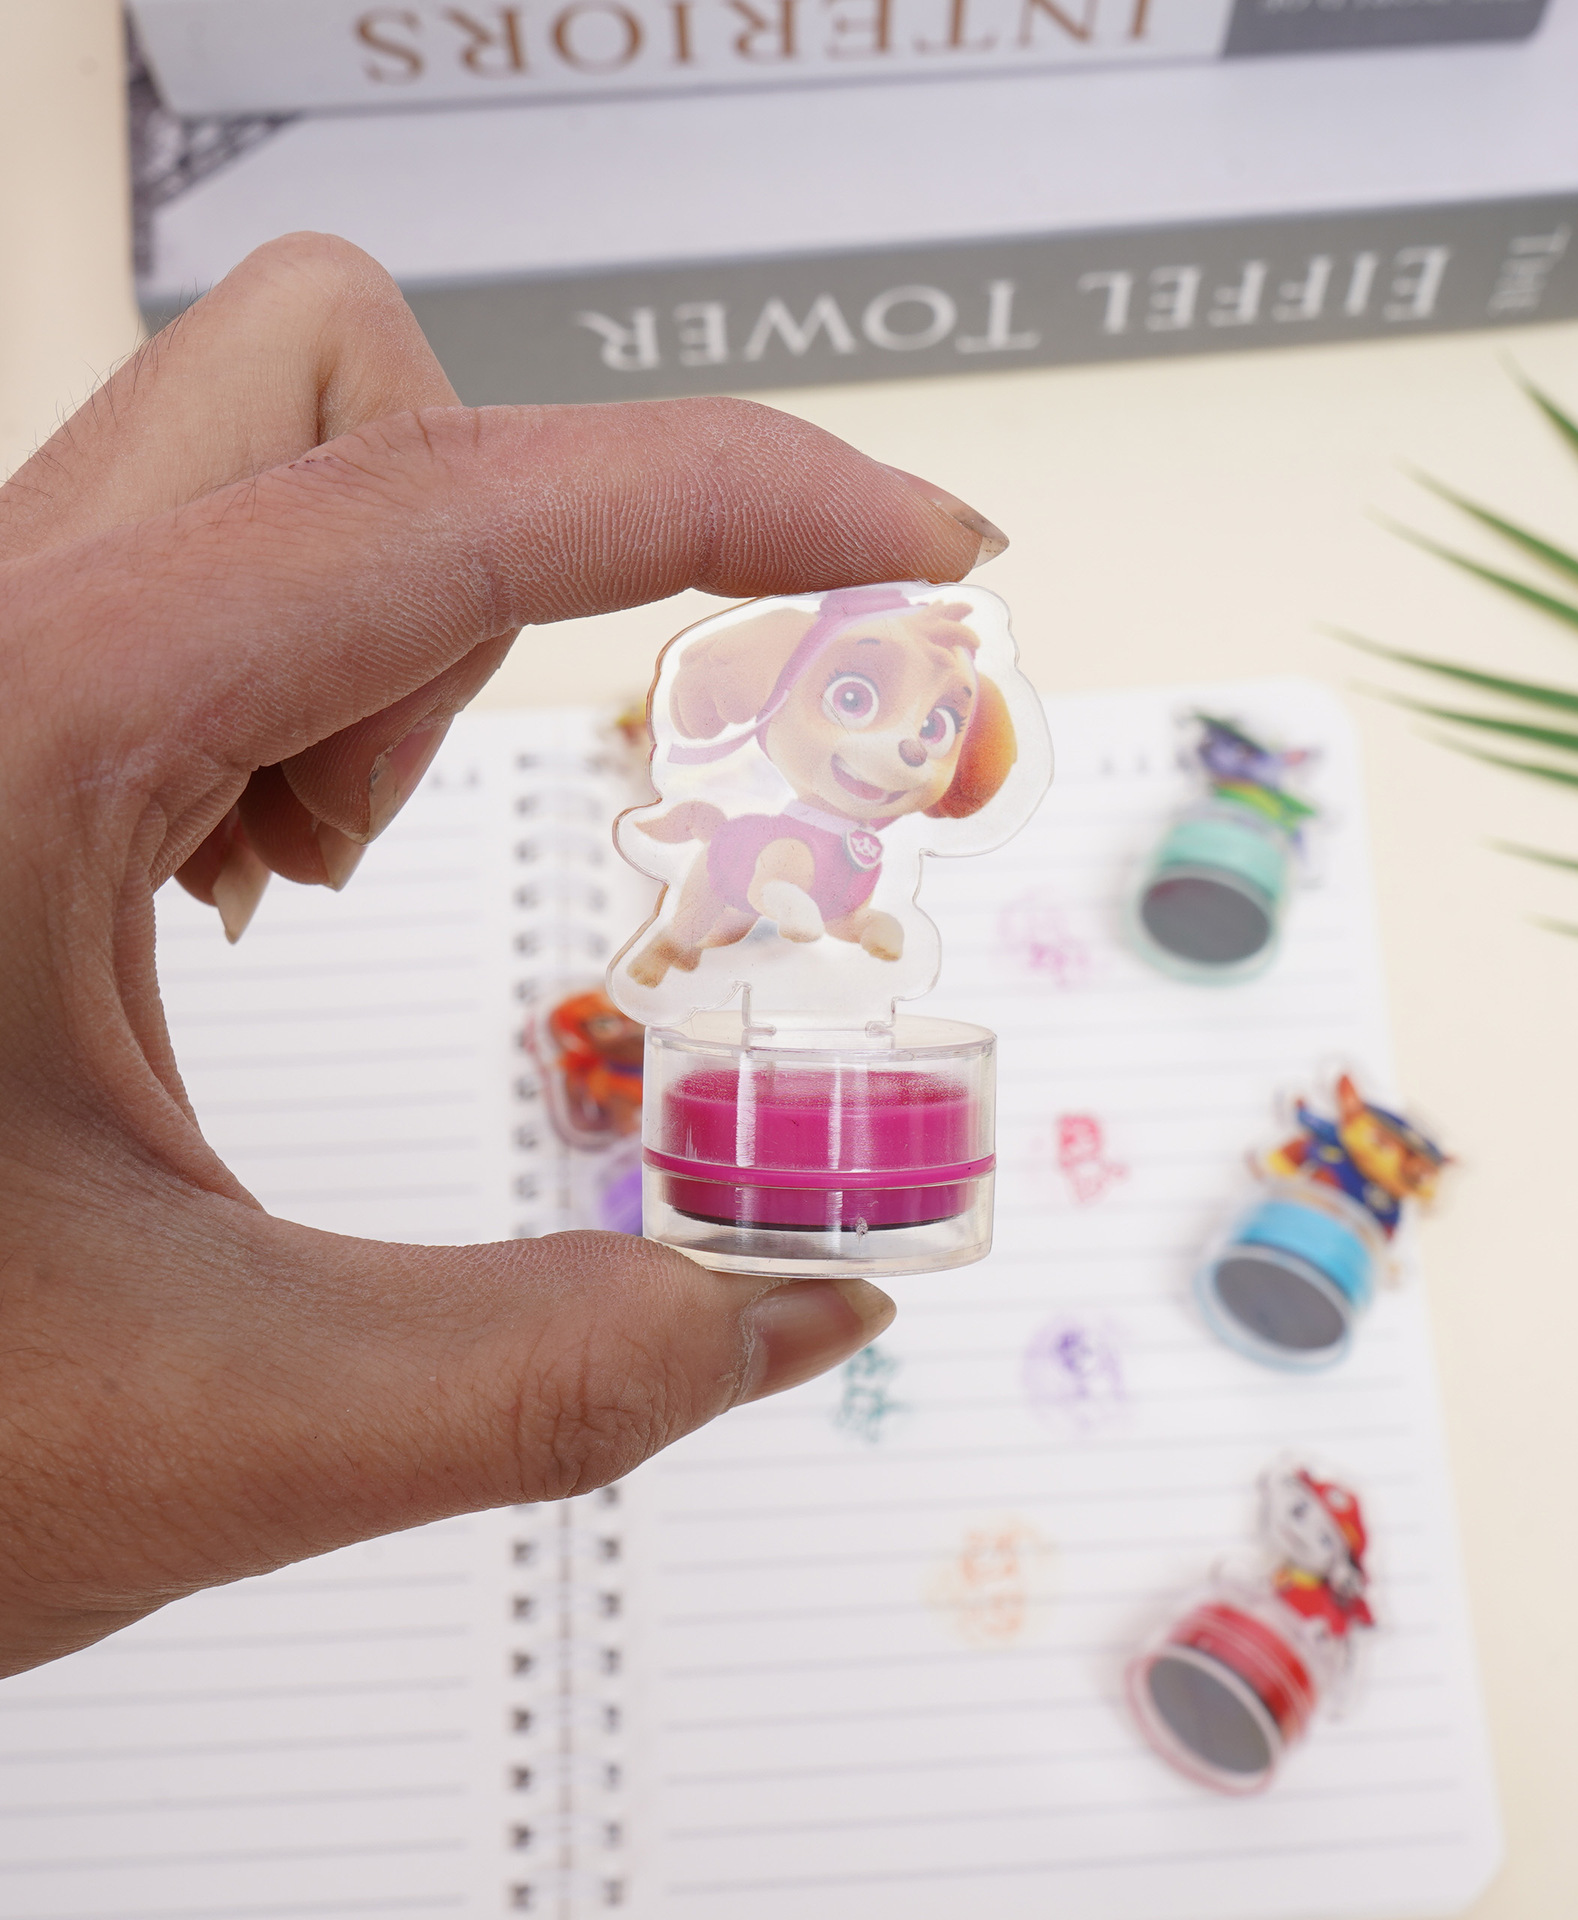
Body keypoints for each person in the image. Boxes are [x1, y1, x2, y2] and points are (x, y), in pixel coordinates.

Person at [0, 233, 1008, 1679]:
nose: (906, 742)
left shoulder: (874, 848)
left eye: (935, 721)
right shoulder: (750, 823)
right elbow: (764, 910)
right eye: (860, 696)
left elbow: (848, 931)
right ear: (763, 701)